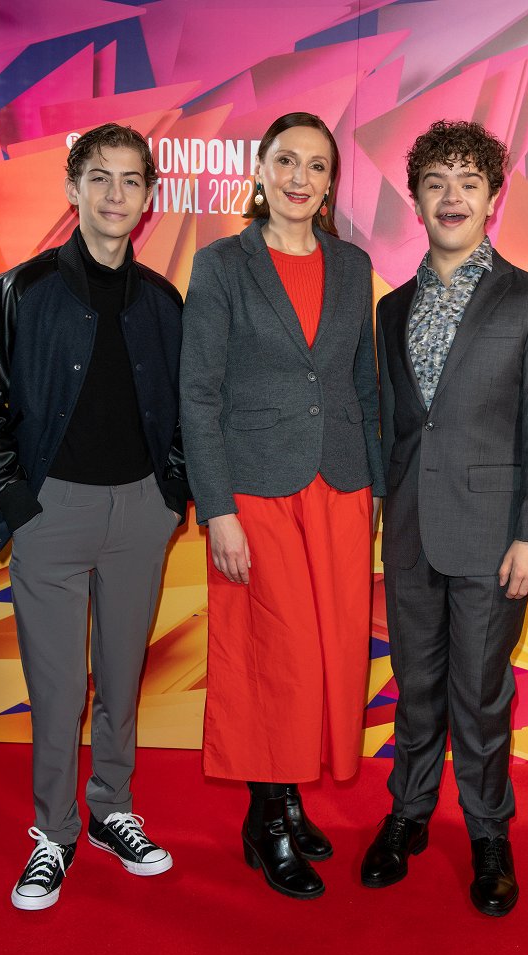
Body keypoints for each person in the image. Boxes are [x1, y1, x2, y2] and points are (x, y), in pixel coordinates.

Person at [0, 123, 189, 910]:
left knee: (121, 680)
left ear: (148, 198)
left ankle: (112, 810)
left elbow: (188, 409)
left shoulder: (162, 300)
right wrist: (16, 506)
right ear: (72, 188)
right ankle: (53, 831)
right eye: (101, 178)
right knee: (59, 691)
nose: (116, 195)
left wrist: (171, 494)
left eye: (131, 181)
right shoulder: (18, 291)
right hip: (51, 511)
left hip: (141, 514)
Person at [361, 120, 528, 916]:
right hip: (411, 532)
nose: (451, 197)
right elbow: (395, 427)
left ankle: (488, 834)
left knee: (479, 697)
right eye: (435, 183)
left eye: (467, 182)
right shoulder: (390, 310)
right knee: (414, 686)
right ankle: (408, 814)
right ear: (415, 199)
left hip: (493, 539)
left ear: (493, 196)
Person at [180, 112, 384, 899]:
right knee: (275, 655)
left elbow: (363, 385)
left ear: (332, 183)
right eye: (287, 161)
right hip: (255, 490)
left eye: (317, 166)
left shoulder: (353, 263)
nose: (301, 177)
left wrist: (371, 490)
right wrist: (217, 508)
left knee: (326, 655)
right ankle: (266, 820)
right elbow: (196, 394)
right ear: (260, 171)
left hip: (338, 485)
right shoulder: (222, 264)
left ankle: (287, 797)